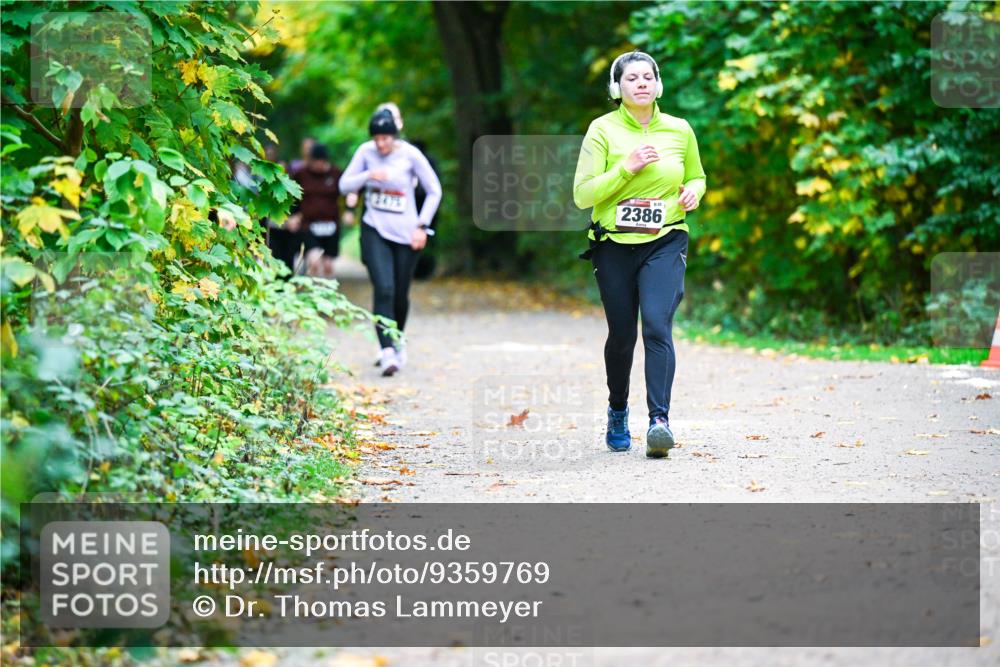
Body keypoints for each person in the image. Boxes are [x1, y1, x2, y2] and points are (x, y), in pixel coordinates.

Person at [573, 50, 706, 458]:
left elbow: (697, 176)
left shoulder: (679, 129)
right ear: (617, 88)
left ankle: (659, 422)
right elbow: (583, 195)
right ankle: (617, 410)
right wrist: (626, 168)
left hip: (666, 239)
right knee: (622, 335)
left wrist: (693, 192)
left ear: (658, 84)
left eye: (648, 76)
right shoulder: (602, 130)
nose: (642, 83)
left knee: (656, 325)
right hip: (613, 244)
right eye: (632, 78)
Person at [339, 109, 442, 377]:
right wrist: (368, 176)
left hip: (406, 234)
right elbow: (344, 185)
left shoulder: (410, 154)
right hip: (374, 229)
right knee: (383, 288)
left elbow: (434, 190)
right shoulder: (365, 152)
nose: (381, 144)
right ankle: (386, 352)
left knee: (399, 293)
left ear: (394, 137)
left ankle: (396, 340)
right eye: (376, 139)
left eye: (385, 138)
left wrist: (422, 225)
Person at [286, 143, 343, 278]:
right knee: (314, 261)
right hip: (308, 225)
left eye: (321, 162)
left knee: (328, 265)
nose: (318, 165)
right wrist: (293, 215)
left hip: (331, 225)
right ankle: (311, 288)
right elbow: (293, 197)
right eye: (315, 162)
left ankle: (327, 289)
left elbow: (348, 193)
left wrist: (350, 210)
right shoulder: (301, 174)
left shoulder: (336, 174)